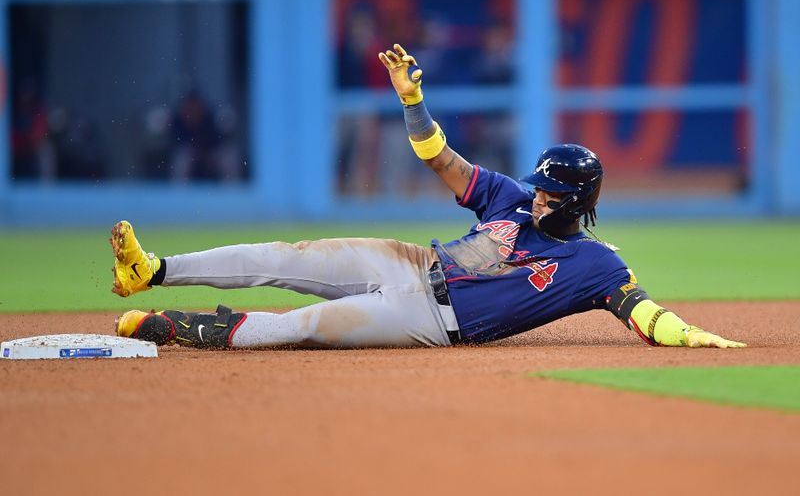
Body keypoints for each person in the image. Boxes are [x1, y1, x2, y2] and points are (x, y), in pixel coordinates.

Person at [111, 44, 745, 351]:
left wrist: (690, 336)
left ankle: (173, 330)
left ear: (578, 201)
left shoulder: (595, 264)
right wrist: (413, 102)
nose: (540, 196)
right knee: (285, 255)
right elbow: (440, 158)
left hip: (429, 323)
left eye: (552, 191)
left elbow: (642, 310)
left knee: (297, 328)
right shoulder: (513, 199)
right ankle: (154, 271)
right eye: (541, 186)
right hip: (413, 263)